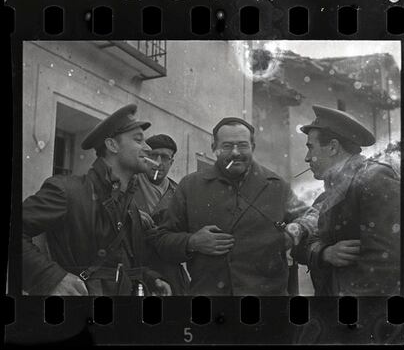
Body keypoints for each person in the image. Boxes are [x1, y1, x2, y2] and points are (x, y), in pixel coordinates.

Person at [149, 117, 318, 296]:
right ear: (214, 148)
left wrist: (296, 229)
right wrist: (192, 242)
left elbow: (314, 217)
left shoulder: (276, 186)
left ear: (253, 147)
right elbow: (162, 240)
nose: (235, 152)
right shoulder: (190, 186)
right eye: (227, 146)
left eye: (243, 145)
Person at [22, 104, 172, 296]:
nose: (148, 148)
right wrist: (50, 278)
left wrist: (150, 279)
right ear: (112, 145)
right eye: (138, 140)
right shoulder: (67, 190)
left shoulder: (130, 206)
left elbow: (117, 262)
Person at [300, 105, 400, 296]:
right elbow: (301, 245)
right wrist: (325, 253)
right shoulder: (330, 192)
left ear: (333, 147)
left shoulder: (375, 180)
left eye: (310, 148)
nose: (307, 158)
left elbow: (387, 264)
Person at [134, 134, 190, 294]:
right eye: (153, 155)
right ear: (145, 157)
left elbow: (185, 237)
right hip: (134, 269)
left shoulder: (179, 193)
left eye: (165, 157)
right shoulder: (127, 184)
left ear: (171, 162)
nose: (158, 162)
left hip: (169, 273)